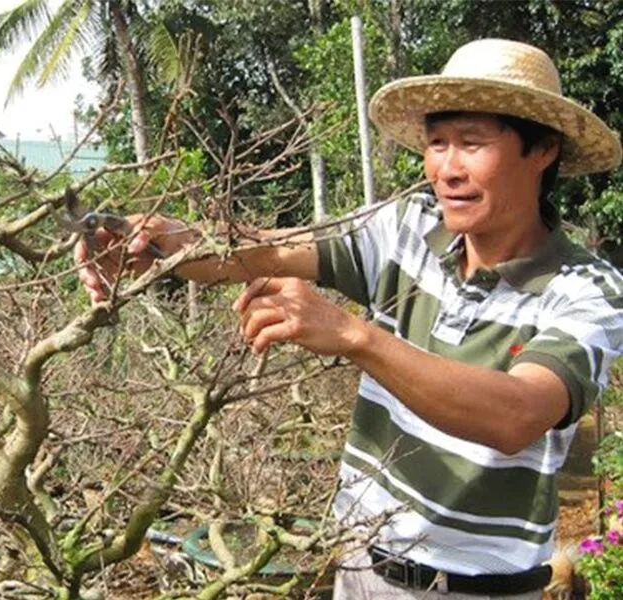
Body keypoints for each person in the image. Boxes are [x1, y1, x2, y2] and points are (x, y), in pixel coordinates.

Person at [77, 38, 623, 598]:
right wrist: (157, 239)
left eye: (472, 144)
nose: (446, 169)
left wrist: (353, 336)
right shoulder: (406, 229)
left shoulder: (586, 289)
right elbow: (264, 249)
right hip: (363, 569)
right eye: (437, 144)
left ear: (544, 151)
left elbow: (516, 415)